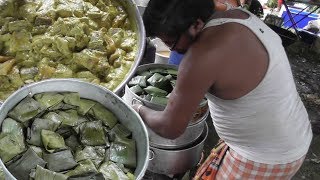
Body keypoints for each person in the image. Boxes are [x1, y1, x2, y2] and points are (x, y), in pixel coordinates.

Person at [134, 0, 313, 179]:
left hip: (265, 157)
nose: (172, 49)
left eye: (171, 43)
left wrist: (138, 108)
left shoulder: (201, 56)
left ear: (196, 24)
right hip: (292, 130)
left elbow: (170, 127)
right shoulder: (234, 13)